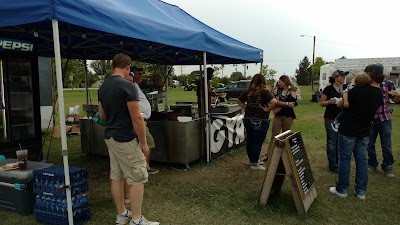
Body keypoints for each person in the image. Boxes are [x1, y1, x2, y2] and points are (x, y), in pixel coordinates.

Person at [98, 53, 159, 225]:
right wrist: (145, 145)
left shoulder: (103, 87)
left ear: (112, 66)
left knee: (116, 176)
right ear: (128, 67)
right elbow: (137, 118)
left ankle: (122, 214)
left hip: (110, 137)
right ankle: (137, 220)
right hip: (125, 138)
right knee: (138, 178)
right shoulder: (128, 86)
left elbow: (102, 115)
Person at [329, 70, 384, 200]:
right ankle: (361, 192)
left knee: (345, 159)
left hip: (348, 130)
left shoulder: (354, 91)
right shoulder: (378, 93)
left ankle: (342, 189)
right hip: (364, 131)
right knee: (362, 160)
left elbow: (340, 104)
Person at [122, 66, 159, 205]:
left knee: (146, 145)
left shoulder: (135, 85)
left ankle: (145, 167)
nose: (141, 75)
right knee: (146, 144)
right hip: (138, 121)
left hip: (141, 120)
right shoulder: (129, 85)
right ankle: (143, 168)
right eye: (139, 73)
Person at [237, 74, 277, 170]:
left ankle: (252, 160)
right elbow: (274, 102)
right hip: (260, 119)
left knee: (250, 140)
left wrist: (245, 106)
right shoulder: (265, 92)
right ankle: (254, 164)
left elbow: (238, 100)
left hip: (248, 118)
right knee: (257, 142)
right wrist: (267, 109)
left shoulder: (248, 91)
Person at [366, 64, 397, 177]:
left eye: (368, 73)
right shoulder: (366, 84)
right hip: (370, 119)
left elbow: (395, 99)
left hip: (385, 118)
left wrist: (398, 96)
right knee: (369, 144)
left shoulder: (389, 84)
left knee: (386, 144)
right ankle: (372, 163)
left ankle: (387, 166)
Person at [262, 75, 299, 161]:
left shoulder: (292, 90)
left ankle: (284, 155)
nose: (278, 84)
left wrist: (281, 102)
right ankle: (268, 154)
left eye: (280, 82)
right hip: (278, 114)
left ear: (285, 82)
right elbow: (274, 102)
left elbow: (293, 103)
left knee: (285, 135)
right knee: (274, 135)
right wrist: (283, 102)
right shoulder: (277, 90)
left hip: (288, 116)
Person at [320, 70, 348, 173]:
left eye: (344, 75)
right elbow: (322, 103)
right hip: (330, 118)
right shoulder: (328, 89)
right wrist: (328, 102)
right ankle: (333, 165)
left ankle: (340, 162)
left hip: (343, 118)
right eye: (342, 75)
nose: (344, 77)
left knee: (342, 141)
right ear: (336, 77)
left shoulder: (345, 88)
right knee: (332, 141)